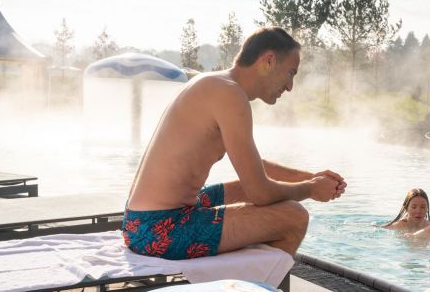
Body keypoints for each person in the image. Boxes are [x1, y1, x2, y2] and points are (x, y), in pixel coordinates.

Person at [122, 26, 346, 260]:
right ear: (268, 61)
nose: (290, 86)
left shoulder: (217, 84)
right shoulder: (229, 94)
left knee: (244, 188)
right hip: (158, 230)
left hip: (142, 220)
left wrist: (311, 177)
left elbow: (255, 166)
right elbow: (260, 193)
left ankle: (250, 276)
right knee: (293, 217)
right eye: (291, 73)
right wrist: (311, 189)